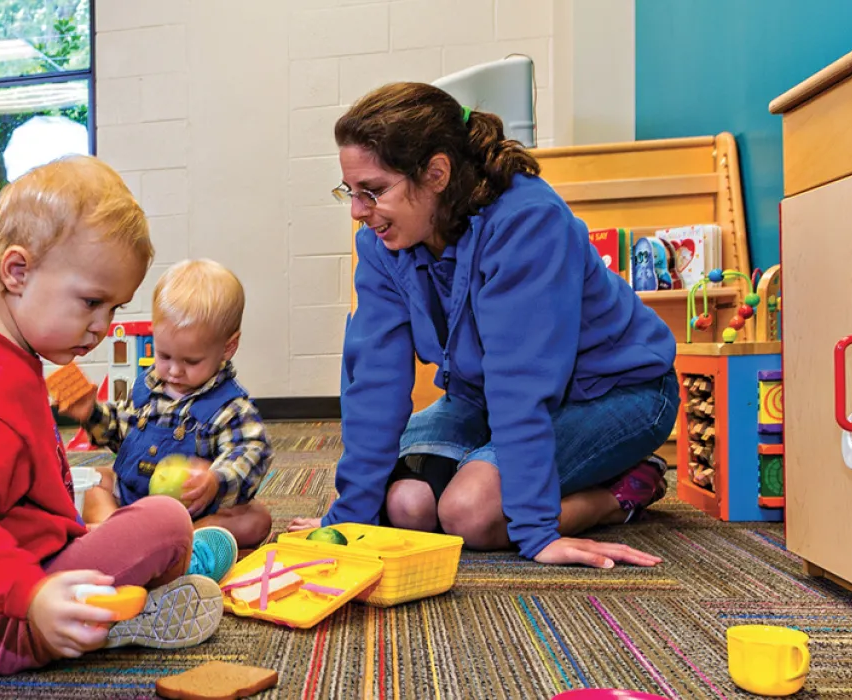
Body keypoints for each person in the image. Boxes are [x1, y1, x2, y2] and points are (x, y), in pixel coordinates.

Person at [288, 82, 678, 570]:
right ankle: (514, 477)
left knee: (469, 515)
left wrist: (536, 529)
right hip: (486, 398)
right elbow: (374, 381)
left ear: (436, 173)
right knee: (405, 507)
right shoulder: (383, 244)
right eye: (351, 191)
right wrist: (346, 521)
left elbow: (522, 380)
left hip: (616, 393)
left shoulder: (526, 222)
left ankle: (622, 490)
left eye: (374, 191)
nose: (357, 211)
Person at [0, 156, 223, 676]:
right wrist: (33, 595)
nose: (103, 327)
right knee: (169, 522)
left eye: (114, 308)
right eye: (91, 301)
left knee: (116, 515)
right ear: (16, 271)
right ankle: (114, 619)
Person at [66, 258, 275, 552]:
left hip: (191, 513)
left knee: (257, 519)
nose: (174, 371)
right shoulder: (148, 387)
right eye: (164, 356)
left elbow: (252, 452)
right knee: (91, 480)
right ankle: (119, 537)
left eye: (191, 361)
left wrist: (215, 479)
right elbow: (123, 433)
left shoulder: (230, 407)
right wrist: (91, 413)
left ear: (228, 348)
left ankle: (185, 541)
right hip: (132, 500)